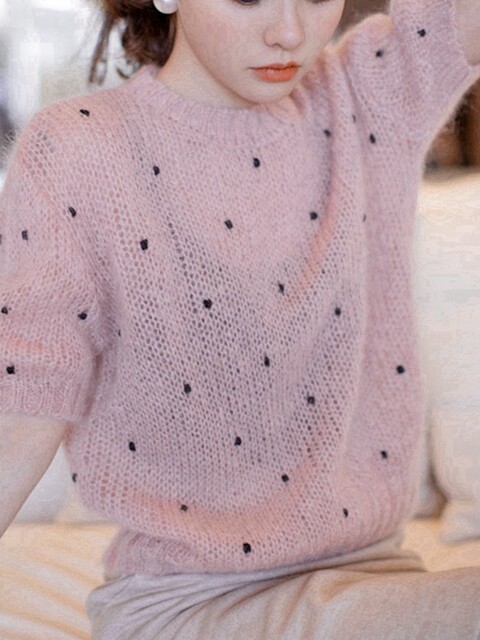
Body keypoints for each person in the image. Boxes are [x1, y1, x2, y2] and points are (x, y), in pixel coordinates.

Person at [1, 0, 480, 638]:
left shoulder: (366, 95)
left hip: (374, 582)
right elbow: (26, 401)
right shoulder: (79, 147)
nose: (289, 31)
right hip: (190, 607)